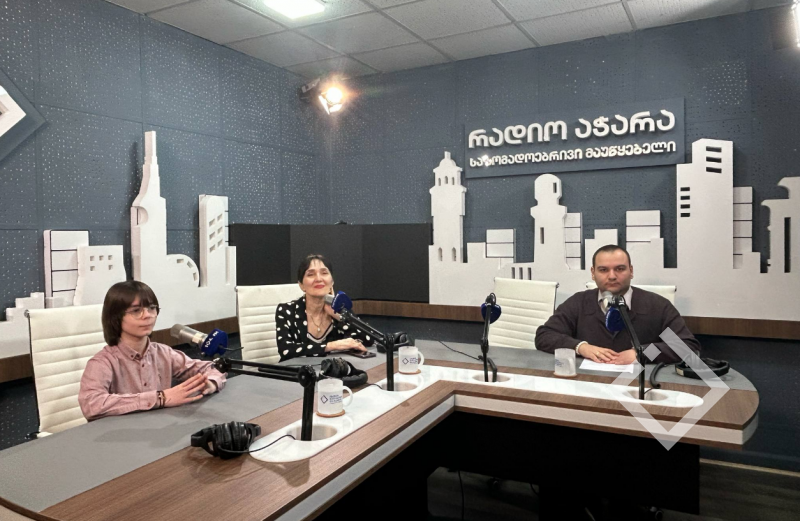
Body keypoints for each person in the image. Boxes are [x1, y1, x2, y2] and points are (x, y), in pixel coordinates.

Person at [78, 281, 226, 421]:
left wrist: (210, 383)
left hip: (161, 429)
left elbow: (212, 368)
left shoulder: (163, 353)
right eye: (136, 310)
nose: (147, 315)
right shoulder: (102, 362)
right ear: (116, 318)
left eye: (151, 308)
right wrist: (160, 398)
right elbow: (91, 404)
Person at [535, 245, 700, 364]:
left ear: (631, 271)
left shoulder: (656, 306)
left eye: (620, 269)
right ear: (593, 273)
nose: (612, 276)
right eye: (603, 270)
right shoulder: (579, 303)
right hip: (589, 382)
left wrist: (641, 353)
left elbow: (686, 346)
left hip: (640, 384)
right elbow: (545, 336)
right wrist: (581, 347)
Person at [277, 254, 373, 362]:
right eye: (311, 274)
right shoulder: (286, 311)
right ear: (301, 285)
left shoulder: (340, 309)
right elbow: (286, 350)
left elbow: (369, 339)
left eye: (324, 273)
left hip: (333, 371)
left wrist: (337, 316)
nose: (318, 279)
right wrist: (331, 346)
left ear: (332, 282)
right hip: (298, 371)